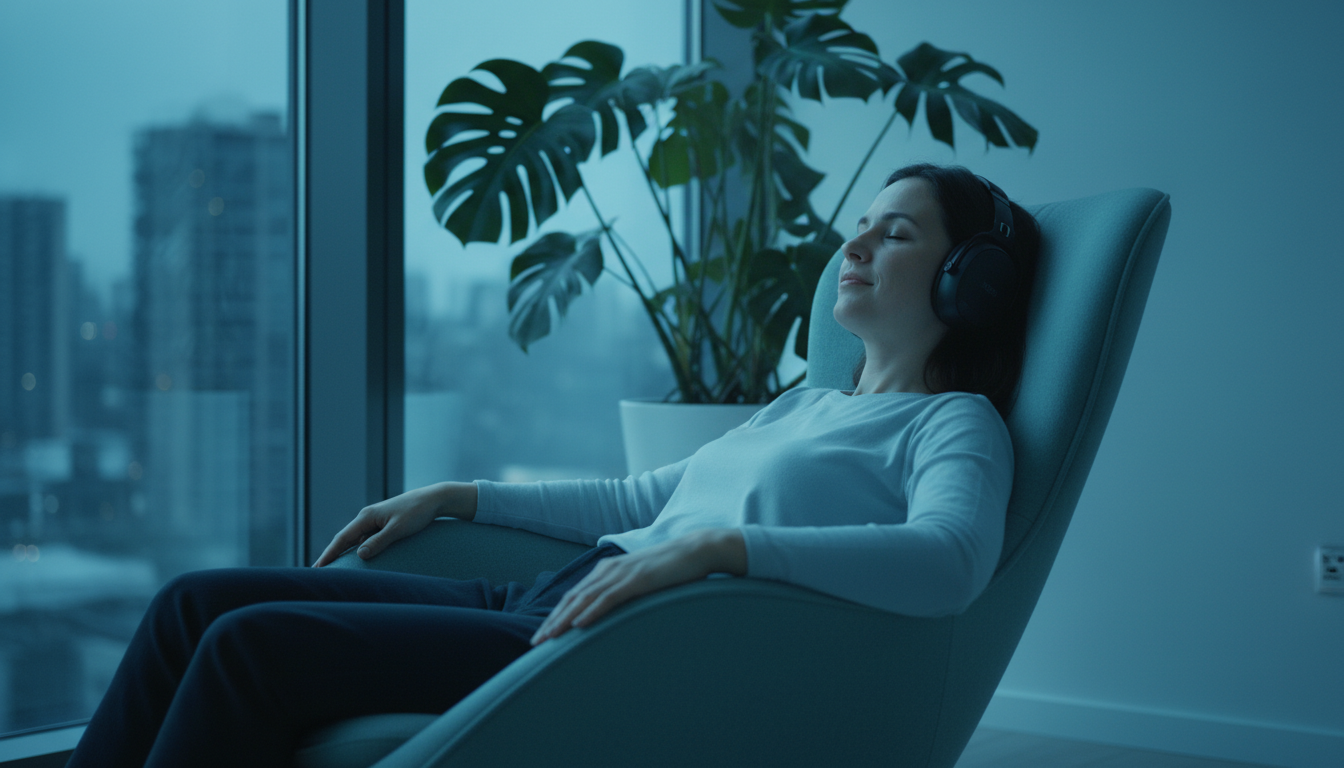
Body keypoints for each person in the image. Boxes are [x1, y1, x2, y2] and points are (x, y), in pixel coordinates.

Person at [66, 163, 1040, 767]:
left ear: (968, 285)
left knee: (249, 652)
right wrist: (462, 493)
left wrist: (718, 552)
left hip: (618, 642)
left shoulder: (953, 425)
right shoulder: (805, 402)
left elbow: (949, 559)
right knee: (191, 603)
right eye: (861, 222)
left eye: (896, 231)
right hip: (545, 593)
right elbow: (638, 498)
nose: (854, 243)